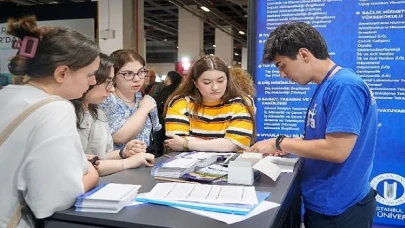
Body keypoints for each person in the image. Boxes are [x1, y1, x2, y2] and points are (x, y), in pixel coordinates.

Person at [248, 22, 378, 227]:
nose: (282, 75)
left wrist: (279, 143)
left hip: (339, 209)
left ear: (304, 55)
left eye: (282, 65)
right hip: (326, 201)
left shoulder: (344, 86)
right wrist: (289, 144)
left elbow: (337, 150)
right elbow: (321, 138)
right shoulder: (327, 85)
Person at [0, 16, 100, 227]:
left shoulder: (7, 95)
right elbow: (51, 200)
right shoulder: (55, 108)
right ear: (62, 73)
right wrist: (92, 174)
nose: (93, 82)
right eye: (90, 75)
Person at [71, 54, 155, 177]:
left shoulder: (96, 112)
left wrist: (122, 153)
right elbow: (80, 166)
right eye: (107, 82)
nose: (111, 89)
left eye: (141, 72)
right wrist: (126, 162)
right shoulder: (67, 113)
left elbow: (100, 156)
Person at [164, 55, 255, 152]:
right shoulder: (180, 103)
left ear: (227, 80)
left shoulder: (242, 103)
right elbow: (175, 142)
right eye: (207, 82)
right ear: (195, 83)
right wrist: (222, 144)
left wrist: (186, 143)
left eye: (220, 81)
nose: (215, 87)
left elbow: (234, 144)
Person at [99, 49, 162, 156]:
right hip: (117, 165)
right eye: (128, 74)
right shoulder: (106, 100)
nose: (137, 79)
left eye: (141, 72)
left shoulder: (146, 99)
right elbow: (119, 136)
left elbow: (156, 131)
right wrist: (143, 110)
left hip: (146, 161)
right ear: (113, 75)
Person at [155, 71, 183, 155]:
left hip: (163, 120)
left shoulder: (166, 90)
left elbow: (159, 105)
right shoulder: (180, 90)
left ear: (169, 78)